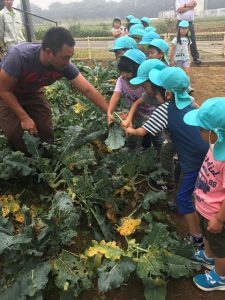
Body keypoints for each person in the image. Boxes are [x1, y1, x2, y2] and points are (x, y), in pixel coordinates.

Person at [124, 67, 209, 247]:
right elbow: (199, 112)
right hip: (204, 153)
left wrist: (127, 127)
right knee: (195, 185)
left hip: (193, 161)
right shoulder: (189, 101)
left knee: (183, 198)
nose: (152, 93)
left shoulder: (164, 110)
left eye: (155, 90)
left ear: (168, 94)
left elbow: (140, 131)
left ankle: (198, 238)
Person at [0, 27, 109, 153]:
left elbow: (88, 89)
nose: (68, 62)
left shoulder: (64, 65)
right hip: (8, 93)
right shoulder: (19, 56)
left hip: (32, 92)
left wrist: (109, 112)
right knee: (14, 132)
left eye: (70, 57)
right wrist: (24, 117)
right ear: (48, 52)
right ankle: (26, 162)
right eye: (65, 57)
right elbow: (3, 90)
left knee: (44, 127)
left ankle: (47, 159)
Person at [184, 97, 225, 291]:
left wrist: (219, 219)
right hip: (204, 207)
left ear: (215, 132)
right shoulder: (216, 143)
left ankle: (221, 277)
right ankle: (208, 257)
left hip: (216, 214)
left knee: (221, 249)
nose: (198, 131)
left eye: (201, 128)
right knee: (208, 238)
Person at [122, 59, 166, 154]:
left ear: (154, 83)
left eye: (145, 87)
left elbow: (142, 132)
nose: (144, 89)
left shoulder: (165, 107)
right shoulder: (151, 94)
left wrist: (128, 129)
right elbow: (136, 103)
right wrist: (129, 119)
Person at [107, 49, 146, 127]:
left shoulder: (145, 83)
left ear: (139, 69)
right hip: (131, 115)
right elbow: (116, 95)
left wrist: (129, 117)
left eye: (128, 72)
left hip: (147, 116)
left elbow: (138, 102)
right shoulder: (121, 80)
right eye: (122, 71)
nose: (124, 75)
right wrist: (109, 112)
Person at [176, 0, 201, 64]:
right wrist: (189, 7)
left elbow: (194, 3)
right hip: (181, 22)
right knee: (180, 40)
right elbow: (179, 10)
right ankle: (179, 57)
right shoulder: (178, 0)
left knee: (192, 40)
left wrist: (184, 6)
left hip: (190, 23)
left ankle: (195, 57)